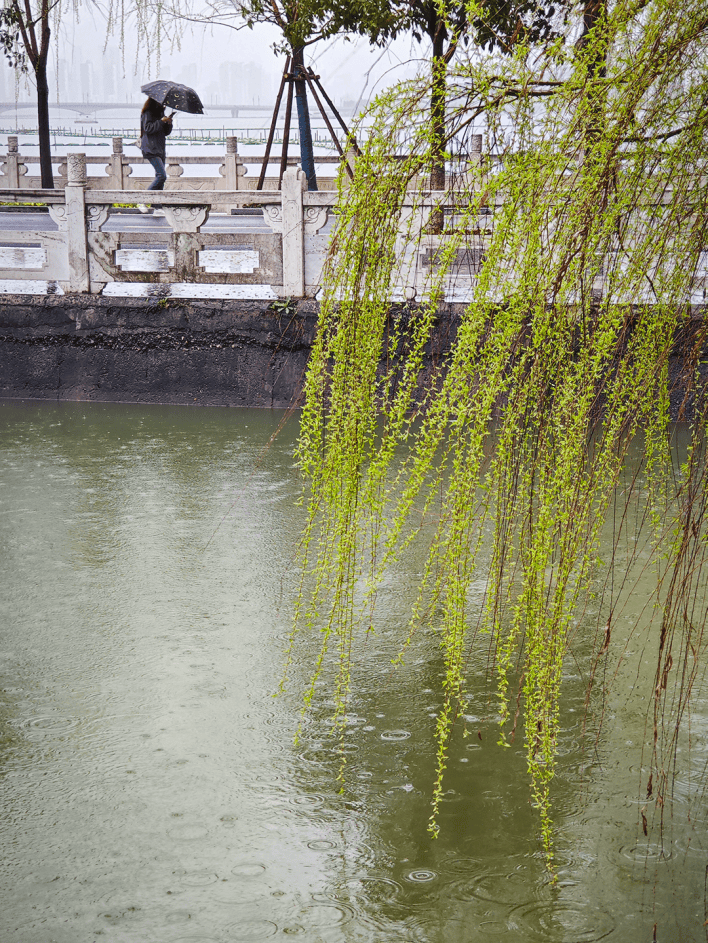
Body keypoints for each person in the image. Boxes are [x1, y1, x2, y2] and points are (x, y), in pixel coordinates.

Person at [137, 97, 173, 213]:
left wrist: (168, 123)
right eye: (162, 102)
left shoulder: (160, 113)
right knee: (162, 176)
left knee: (161, 179)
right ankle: (142, 200)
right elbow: (147, 128)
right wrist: (161, 121)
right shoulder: (148, 112)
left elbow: (165, 132)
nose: (164, 104)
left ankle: (156, 206)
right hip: (150, 149)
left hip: (160, 148)